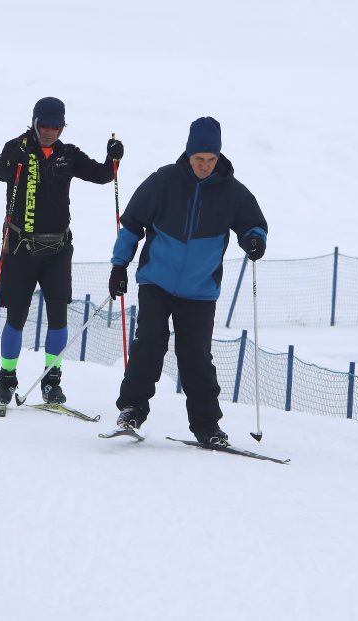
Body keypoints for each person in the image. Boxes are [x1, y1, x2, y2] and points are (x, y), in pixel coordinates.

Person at [108, 116, 267, 446]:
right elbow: (133, 224)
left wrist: (255, 240)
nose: (205, 166)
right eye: (199, 159)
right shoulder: (164, 181)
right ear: (188, 154)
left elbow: (254, 223)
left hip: (200, 290)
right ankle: (132, 409)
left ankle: (207, 426)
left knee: (196, 356)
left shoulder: (232, 193)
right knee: (150, 342)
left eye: (211, 160)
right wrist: (119, 265)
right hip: (157, 281)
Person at [0, 96, 124, 405]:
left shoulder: (68, 154)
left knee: (58, 317)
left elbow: (103, 176)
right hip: (21, 247)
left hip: (57, 249)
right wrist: (16, 157)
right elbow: (0, 172)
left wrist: (114, 160)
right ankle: (6, 379)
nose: (50, 132)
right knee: (16, 317)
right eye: (45, 126)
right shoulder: (18, 147)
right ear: (35, 123)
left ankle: (52, 381)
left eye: (56, 126)